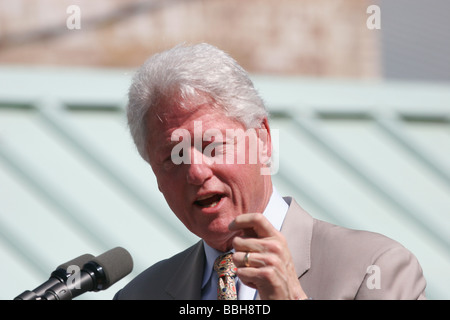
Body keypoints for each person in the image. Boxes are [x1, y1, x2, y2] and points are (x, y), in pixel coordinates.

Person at [114, 43, 427, 300]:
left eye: (212, 146)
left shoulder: (375, 268)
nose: (195, 172)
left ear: (262, 139)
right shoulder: (141, 295)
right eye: (173, 156)